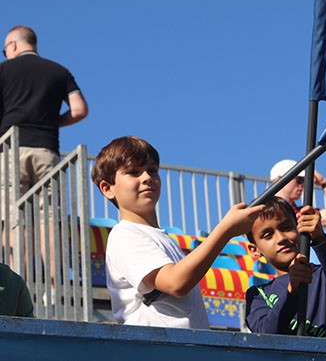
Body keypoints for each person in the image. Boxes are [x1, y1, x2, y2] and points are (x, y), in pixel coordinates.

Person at [92, 136, 263, 328]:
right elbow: (176, 283)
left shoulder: (162, 238)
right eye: (134, 172)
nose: (147, 177)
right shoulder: (125, 234)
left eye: (152, 170)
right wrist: (225, 230)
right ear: (107, 189)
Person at [244, 197, 326, 337]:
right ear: (255, 250)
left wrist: (320, 239)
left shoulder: (325, 275)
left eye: (286, 227)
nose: (281, 238)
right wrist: (291, 292)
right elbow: (266, 335)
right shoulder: (257, 295)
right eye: (268, 235)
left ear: (299, 227)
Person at [0, 25, 88, 196]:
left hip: (10, 151)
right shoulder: (60, 72)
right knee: (49, 215)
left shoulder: (3, 70)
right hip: (46, 148)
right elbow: (79, 109)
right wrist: (51, 122)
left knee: (10, 214)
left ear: (13, 45)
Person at [270, 159, 326, 226]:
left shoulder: (303, 212)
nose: (302, 185)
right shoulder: (264, 210)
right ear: (279, 179)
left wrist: (324, 182)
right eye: (300, 180)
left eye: (305, 181)